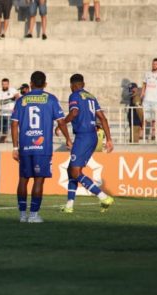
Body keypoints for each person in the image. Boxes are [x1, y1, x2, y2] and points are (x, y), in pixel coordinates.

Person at [10, 71, 64, 223]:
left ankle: (22, 215)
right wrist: (68, 138)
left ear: (31, 83)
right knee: (39, 181)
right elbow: (61, 121)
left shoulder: (22, 100)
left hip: (25, 145)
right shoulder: (51, 99)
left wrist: (15, 148)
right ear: (45, 84)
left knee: (23, 179)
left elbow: (14, 124)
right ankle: (33, 215)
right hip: (43, 147)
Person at [57, 74, 115, 214]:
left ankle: (103, 197)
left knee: (75, 172)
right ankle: (69, 205)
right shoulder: (91, 97)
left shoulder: (74, 95)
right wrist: (109, 139)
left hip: (83, 136)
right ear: (83, 83)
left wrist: (62, 123)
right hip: (92, 136)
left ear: (72, 85)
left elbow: (74, 112)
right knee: (71, 170)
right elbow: (103, 118)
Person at [141, 58, 157, 141]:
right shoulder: (147, 74)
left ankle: (153, 134)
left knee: (154, 118)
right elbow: (144, 84)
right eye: (153, 64)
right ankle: (142, 133)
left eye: (156, 64)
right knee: (144, 117)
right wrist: (142, 93)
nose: (154, 65)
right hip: (147, 99)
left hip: (156, 99)